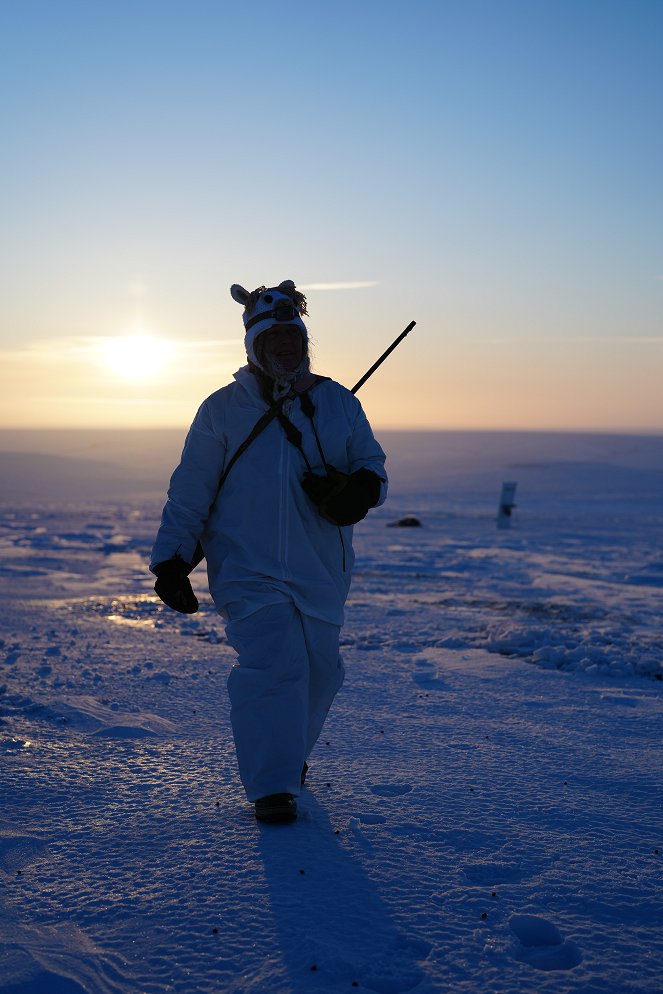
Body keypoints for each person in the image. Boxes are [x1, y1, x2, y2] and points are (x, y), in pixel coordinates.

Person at [150, 280, 387, 824]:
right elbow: (191, 490)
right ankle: (273, 788)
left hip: (321, 569)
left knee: (321, 672)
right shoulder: (222, 409)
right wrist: (172, 559)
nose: (285, 346)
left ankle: (285, 759)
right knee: (275, 663)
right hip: (246, 567)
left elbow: (372, 466)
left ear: (305, 340)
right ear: (254, 345)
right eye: (273, 337)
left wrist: (359, 490)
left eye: (293, 336)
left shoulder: (337, 402)